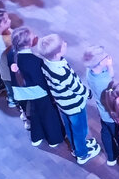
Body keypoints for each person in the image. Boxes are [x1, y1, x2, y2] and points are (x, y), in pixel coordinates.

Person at [36, 33, 101, 165]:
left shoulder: (47, 63)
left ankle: (76, 147)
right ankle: (82, 153)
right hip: (74, 105)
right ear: (57, 53)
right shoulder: (61, 72)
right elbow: (75, 87)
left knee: (70, 127)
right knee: (80, 129)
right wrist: (87, 93)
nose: (65, 43)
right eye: (63, 44)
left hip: (63, 104)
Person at [9, 27, 65, 149]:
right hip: (39, 94)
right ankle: (53, 139)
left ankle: (36, 136)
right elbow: (42, 82)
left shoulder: (12, 55)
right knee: (48, 115)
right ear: (29, 43)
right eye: (33, 36)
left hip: (22, 93)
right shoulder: (35, 61)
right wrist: (52, 96)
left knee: (34, 113)